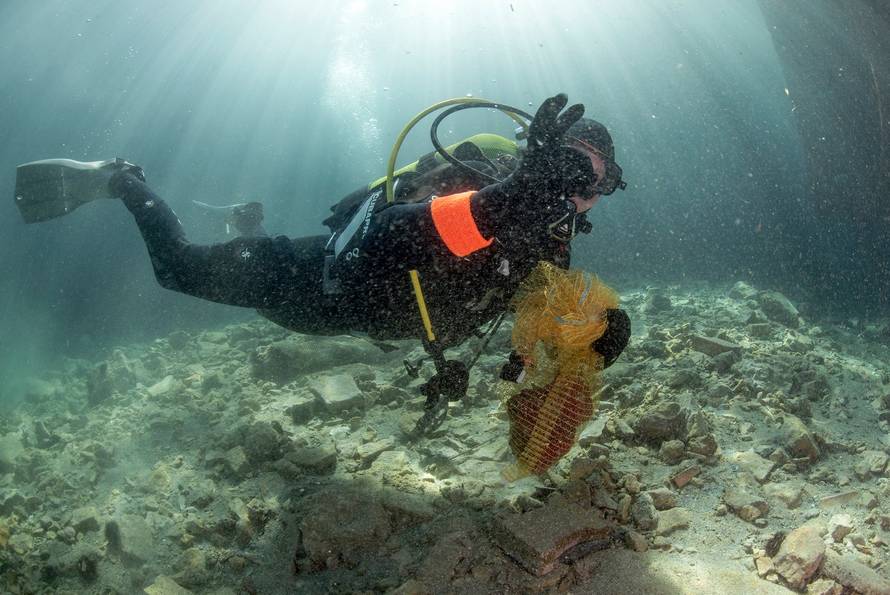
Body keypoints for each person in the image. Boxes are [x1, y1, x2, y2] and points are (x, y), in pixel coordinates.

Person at [15, 93, 630, 431]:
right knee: (175, 269)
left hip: (350, 321)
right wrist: (516, 193)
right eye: (569, 167)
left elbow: (531, 316)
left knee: (258, 303)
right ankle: (125, 178)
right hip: (304, 279)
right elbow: (394, 236)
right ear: (539, 159)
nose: (576, 191)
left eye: (593, 182)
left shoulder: (546, 243)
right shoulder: (482, 181)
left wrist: (599, 334)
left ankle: (243, 222)